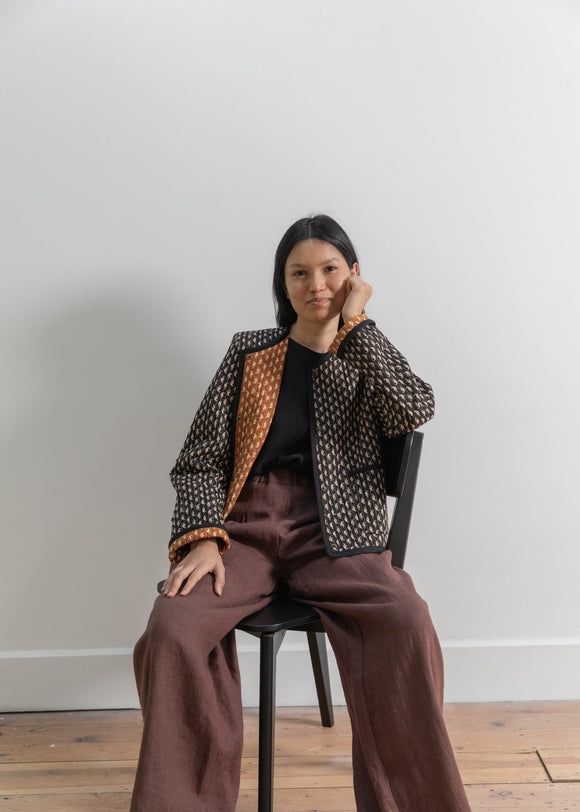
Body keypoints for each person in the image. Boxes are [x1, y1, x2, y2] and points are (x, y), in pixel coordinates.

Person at [130, 214, 472, 812]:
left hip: (337, 530)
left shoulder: (364, 352)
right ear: (283, 285)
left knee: (406, 618)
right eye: (299, 273)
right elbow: (200, 458)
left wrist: (357, 325)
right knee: (173, 626)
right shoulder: (249, 352)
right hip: (244, 528)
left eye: (330, 269)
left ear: (353, 275)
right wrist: (203, 539)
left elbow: (414, 407)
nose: (316, 283)